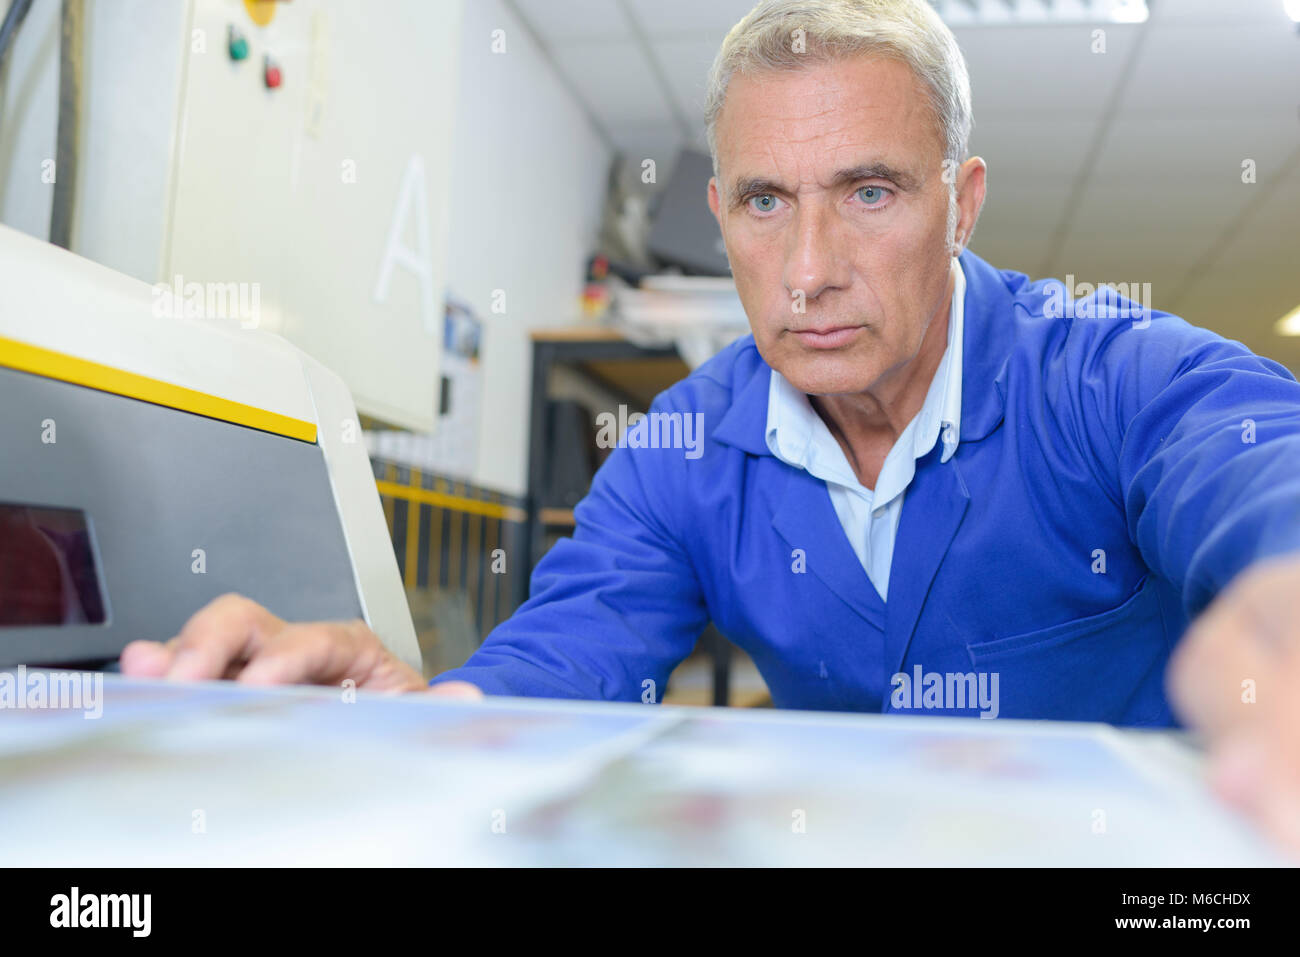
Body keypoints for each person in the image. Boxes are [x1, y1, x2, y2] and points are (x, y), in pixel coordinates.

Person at [123, 0, 1300, 850]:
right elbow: (562, 659)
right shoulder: (681, 452)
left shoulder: (1103, 373)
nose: (807, 271)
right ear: (718, 214)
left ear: (963, 201)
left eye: (871, 192)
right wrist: (415, 729)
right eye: (764, 202)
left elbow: (1259, 466)